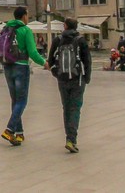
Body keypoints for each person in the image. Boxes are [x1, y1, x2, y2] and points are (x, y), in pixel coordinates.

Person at [0, 6, 47, 146]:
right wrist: (44, 63)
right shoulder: (26, 30)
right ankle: (9, 129)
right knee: (22, 101)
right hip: (21, 66)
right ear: (24, 16)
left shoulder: (6, 28)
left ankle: (18, 134)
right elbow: (32, 53)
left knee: (15, 101)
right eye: (27, 15)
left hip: (7, 66)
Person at [46, 18, 92, 153]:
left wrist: (56, 74)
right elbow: (87, 61)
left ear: (65, 26)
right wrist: (86, 78)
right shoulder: (80, 40)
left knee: (66, 108)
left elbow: (50, 60)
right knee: (75, 108)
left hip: (62, 79)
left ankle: (69, 137)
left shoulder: (57, 40)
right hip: (77, 80)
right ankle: (71, 139)